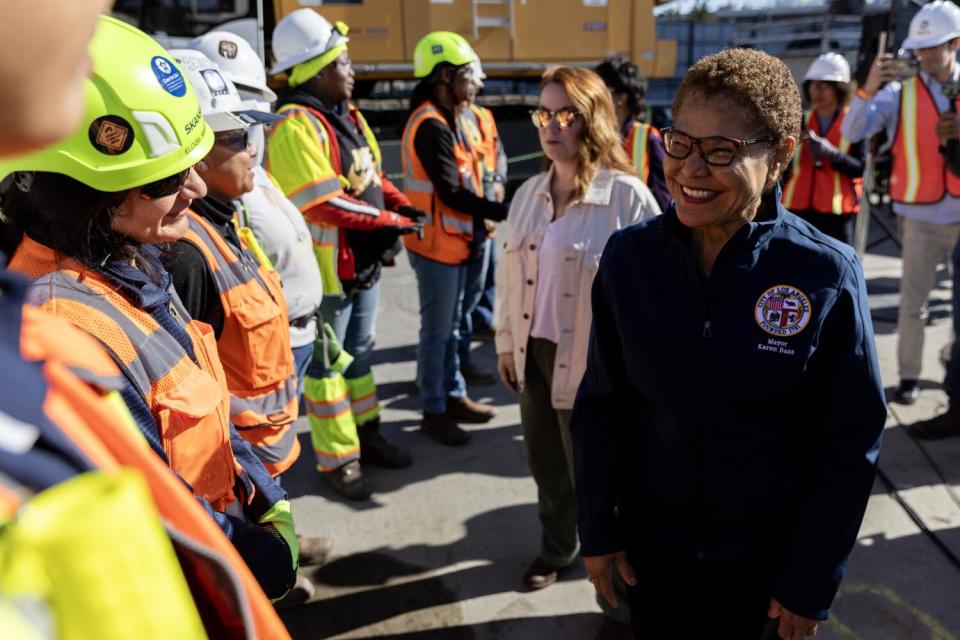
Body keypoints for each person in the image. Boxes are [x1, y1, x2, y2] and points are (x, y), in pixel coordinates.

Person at [573, 48, 886, 640]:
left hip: (766, 574)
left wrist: (811, 579)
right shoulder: (628, 260)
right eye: (681, 143)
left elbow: (848, 444)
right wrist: (599, 528)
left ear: (780, 158)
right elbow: (601, 408)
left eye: (721, 152)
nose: (691, 170)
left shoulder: (826, 274)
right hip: (652, 558)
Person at [0, 22, 299, 605]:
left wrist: (262, 489)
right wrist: (261, 559)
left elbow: (202, 396)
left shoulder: (128, 258)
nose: (194, 184)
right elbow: (154, 507)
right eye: (166, 175)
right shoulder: (65, 324)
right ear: (89, 192)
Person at [494, 67, 659, 640]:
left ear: (593, 119)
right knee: (548, 468)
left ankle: (618, 606)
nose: (550, 126)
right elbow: (508, 281)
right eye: (543, 113)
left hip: (597, 369)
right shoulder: (527, 196)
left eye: (566, 114)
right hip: (536, 356)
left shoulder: (627, 198)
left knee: (605, 487)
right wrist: (506, 346)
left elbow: (654, 299)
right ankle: (556, 547)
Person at [268, 10, 418, 499]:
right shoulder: (295, 124)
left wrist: (397, 203)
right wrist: (391, 222)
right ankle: (340, 461)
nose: (352, 71)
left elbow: (371, 177)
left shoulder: (346, 116)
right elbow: (322, 202)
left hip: (362, 267)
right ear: (317, 70)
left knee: (362, 357)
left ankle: (368, 434)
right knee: (327, 368)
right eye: (343, 62)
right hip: (329, 274)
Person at [189, 29, 325, 403]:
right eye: (234, 126)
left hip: (287, 340)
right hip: (257, 367)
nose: (249, 137)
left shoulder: (250, 178)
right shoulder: (213, 207)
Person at [842, 0, 960, 405]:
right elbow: (853, 129)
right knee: (913, 306)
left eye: (933, 47)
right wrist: (868, 86)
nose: (924, 55)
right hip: (921, 217)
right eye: (920, 48)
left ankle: (953, 367)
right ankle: (909, 376)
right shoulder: (897, 93)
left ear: (955, 44)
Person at [402, 31, 509, 445]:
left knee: (457, 325)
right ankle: (433, 408)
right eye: (468, 75)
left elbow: (481, 169)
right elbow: (451, 192)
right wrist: (508, 211)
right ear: (445, 76)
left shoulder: (458, 117)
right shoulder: (431, 125)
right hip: (437, 248)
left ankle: (454, 394)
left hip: (460, 241)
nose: (476, 83)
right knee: (439, 330)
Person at [457, 62, 506, 385]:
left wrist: (499, 181)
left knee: (483, 284)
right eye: (473, 78)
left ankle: (482, 324)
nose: (477, 85)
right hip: (469, 219)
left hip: (486, 214)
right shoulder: (451, 119)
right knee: (463, 302)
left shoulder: (482, 117)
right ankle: (459, 365)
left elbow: (498, 153)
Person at [782, 53, 864, 244]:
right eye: (812, 84)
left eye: (823, 85)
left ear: (839, 88)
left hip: (837, 213)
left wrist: (832, 154)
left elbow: (859, 167)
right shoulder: (800, 120)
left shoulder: (853, 122)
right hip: (797, 208)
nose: (816, 91)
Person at [595, 55, 671, 213]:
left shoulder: (647, 138)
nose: (595, 97)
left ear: (622, 97)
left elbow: (664, 199)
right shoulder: (593, 137)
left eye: (601, 91)